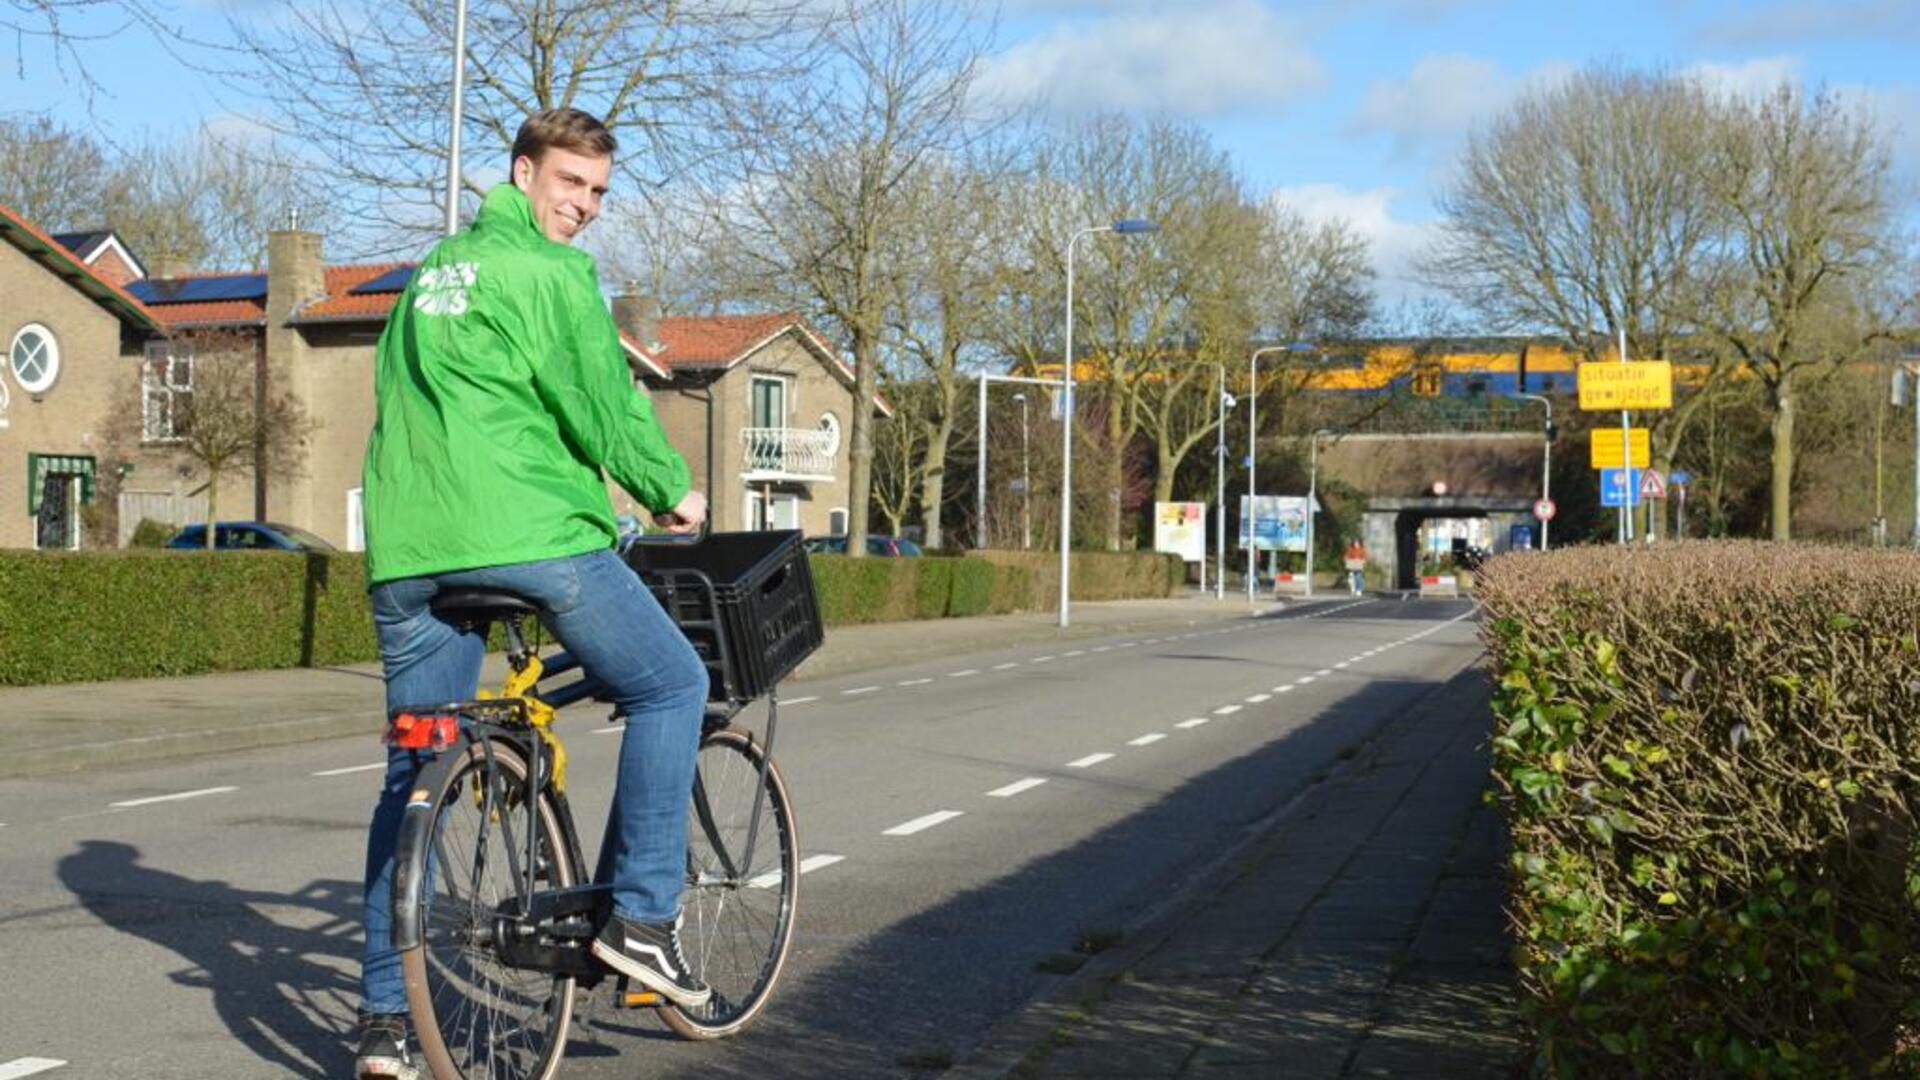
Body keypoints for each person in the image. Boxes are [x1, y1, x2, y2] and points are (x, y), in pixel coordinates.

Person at [352, 108, 711, 1080]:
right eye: (570, 185)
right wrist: (669, 489)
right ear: (523, 172)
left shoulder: (431, 273)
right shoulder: (552, 275)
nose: (585, 208)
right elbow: (602, 401)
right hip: (527, 538)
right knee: (672, 685)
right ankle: (642, 917)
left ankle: (387, 1024)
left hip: (410, 551)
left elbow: (420, 399)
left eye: (598, 193)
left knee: (413, 771)